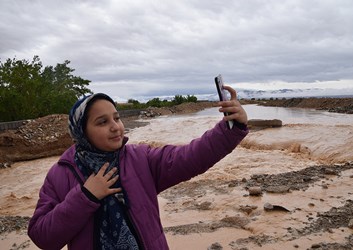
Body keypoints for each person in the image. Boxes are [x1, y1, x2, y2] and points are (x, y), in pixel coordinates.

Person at [28, 85, 249, 249]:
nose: (116, 127)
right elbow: (42, 236)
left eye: (116, 118)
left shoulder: (140, 159)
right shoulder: (61, 174)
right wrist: (86, 196)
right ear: (81, 132)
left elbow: (190, 156)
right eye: (102, 122)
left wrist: (230, 128)